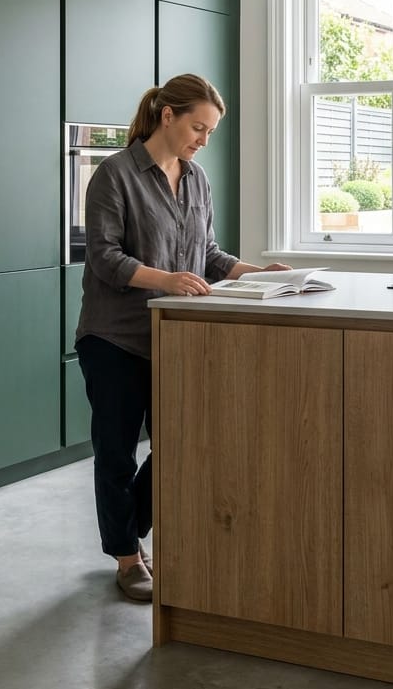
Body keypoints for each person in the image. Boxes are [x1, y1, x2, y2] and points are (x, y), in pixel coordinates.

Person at [74, 73, 290, 602]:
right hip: (115, 337)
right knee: (117, 452)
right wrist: (164, 279)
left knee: (182, 442)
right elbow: (102, 258)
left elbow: (209, 255)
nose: (203, 140)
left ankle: (129, 529)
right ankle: (127, 557)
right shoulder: (114, 174)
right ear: (166, 115)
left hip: (175, 336)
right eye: (199, 127)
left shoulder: (196, 179)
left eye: (210, 132)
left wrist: (259, 272)